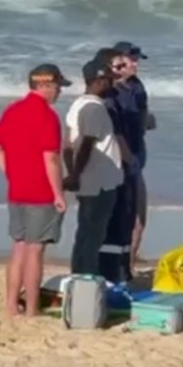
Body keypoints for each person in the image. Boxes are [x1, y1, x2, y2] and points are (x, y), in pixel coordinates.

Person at [0, 63, 70, 316]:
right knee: (35, 249)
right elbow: (51, 159)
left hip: (17, 190)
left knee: (19, 246)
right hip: (41, 192)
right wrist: (58, 193)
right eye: (58, 86)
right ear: (45, 86)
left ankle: (11, 304)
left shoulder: (13, 110)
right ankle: (32, 308)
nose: (60, 91)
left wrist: (9, 172)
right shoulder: (47, 116)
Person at [63, 59, 123, 276]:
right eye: (108, 80)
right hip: (99, 182)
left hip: (87, 181)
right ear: (98, 81)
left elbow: (67, 144)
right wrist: (76, 174)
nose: (112, 84)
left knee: (84, 233)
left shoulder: (77, 105)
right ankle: (85, 279)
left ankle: (78, 275)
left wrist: (72, 174)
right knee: (93, 235)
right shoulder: (95, 108)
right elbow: (87, 144)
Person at [94, 47, 138, 283]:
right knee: (113, 223)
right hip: (113, 168)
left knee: (125, 221)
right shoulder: (107, 100)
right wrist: (130, 160)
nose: (128, 68)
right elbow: (116, 135)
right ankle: (112, 274)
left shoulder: (129, 91)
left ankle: (121, 272)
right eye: (119, 66)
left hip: (121, 167)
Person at [113, 41, 154, 272]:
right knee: (122, 220)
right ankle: (118, 269)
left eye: (138, 60)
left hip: (137, 158)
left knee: (139, 220)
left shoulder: (137, 86)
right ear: (118, 62)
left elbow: (143, 113)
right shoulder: (109, 90)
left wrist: (147, 121)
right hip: (118, 163)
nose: (136, 65)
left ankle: (127, 268)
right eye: (132, 60)